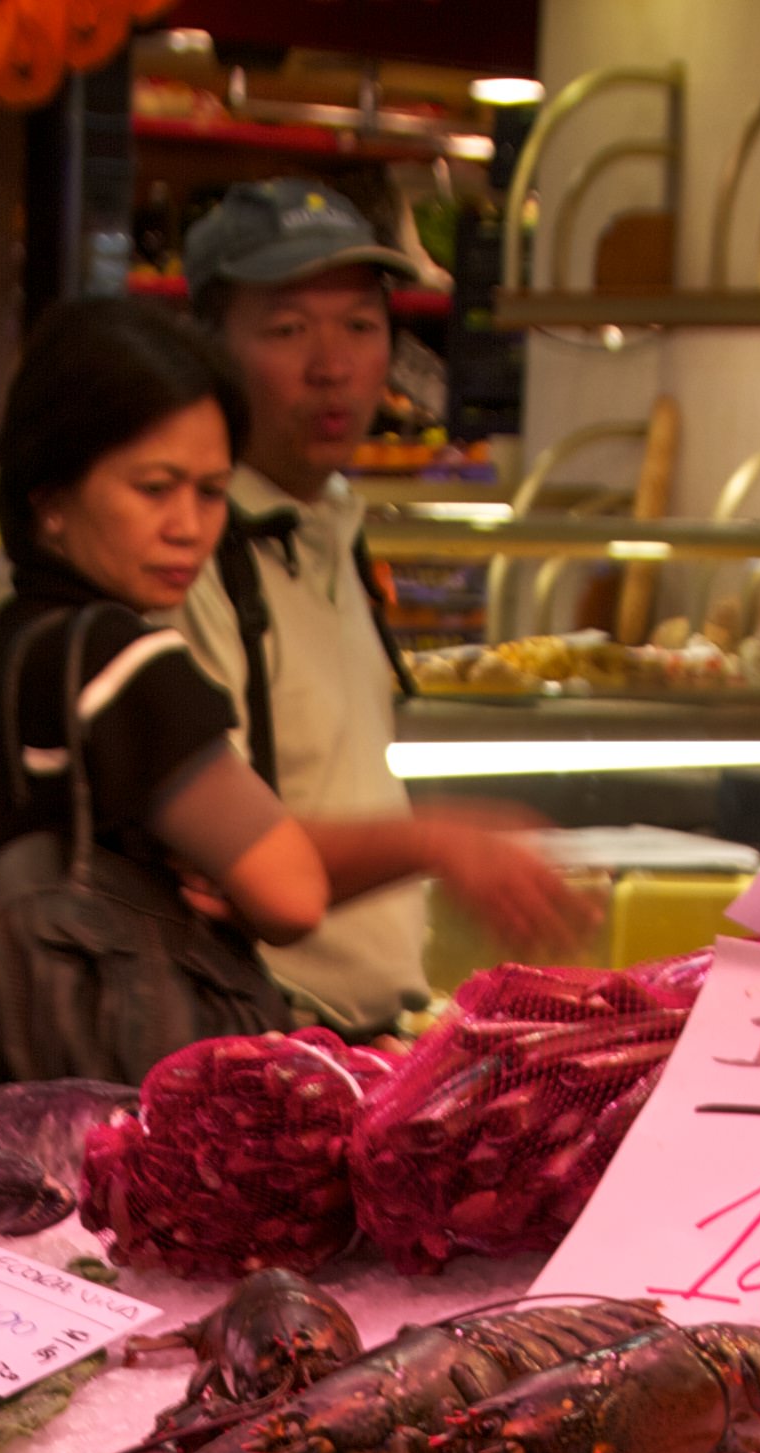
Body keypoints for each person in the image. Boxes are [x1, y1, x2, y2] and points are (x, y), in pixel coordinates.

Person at [171, 178, 580, 1026]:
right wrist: (439, 840)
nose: (333, 366)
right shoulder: (186, 558)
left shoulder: (331, 525)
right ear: (208, 348)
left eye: (360, 326)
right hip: (264, 1045)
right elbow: (218, 856)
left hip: (362, 1038)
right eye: (288, 330)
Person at [0, 297, 330, 1087]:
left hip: (9, 1107)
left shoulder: (11, 645)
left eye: (212, 492)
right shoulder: (123, 661)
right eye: (154, 488)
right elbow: (292, 894)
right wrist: (439, 842)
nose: (188, 526)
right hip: (122, 1116)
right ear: (51, 497)